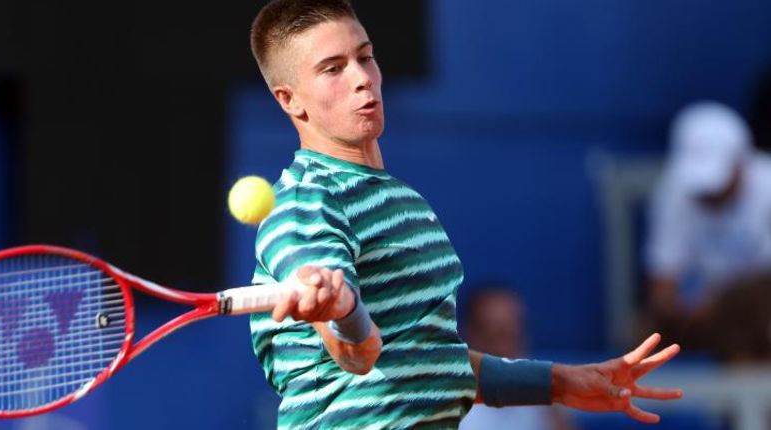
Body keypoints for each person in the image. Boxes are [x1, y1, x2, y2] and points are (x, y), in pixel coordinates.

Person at [247, 1, 682, 428]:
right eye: (333, 69)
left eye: (365, 57)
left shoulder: (399, 199)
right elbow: (355, 355)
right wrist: (342, 312)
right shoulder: (306, 206)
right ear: (290, 100)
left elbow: (432, 360)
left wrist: (561, 382)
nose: (362, 79)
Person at [643, 101, 771, 360]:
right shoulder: (674, 190)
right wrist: (677, 309)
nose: (708, 194)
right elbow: (662, 282)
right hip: (706, 315)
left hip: (757, 308)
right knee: (644, 334)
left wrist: (721, 303)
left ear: (741, 162)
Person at [459, 285, 575, 430]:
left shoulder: (546, 399)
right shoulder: (446, 405)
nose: (506, 348)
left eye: (513, 334)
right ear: (470, 335)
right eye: (497, 334)